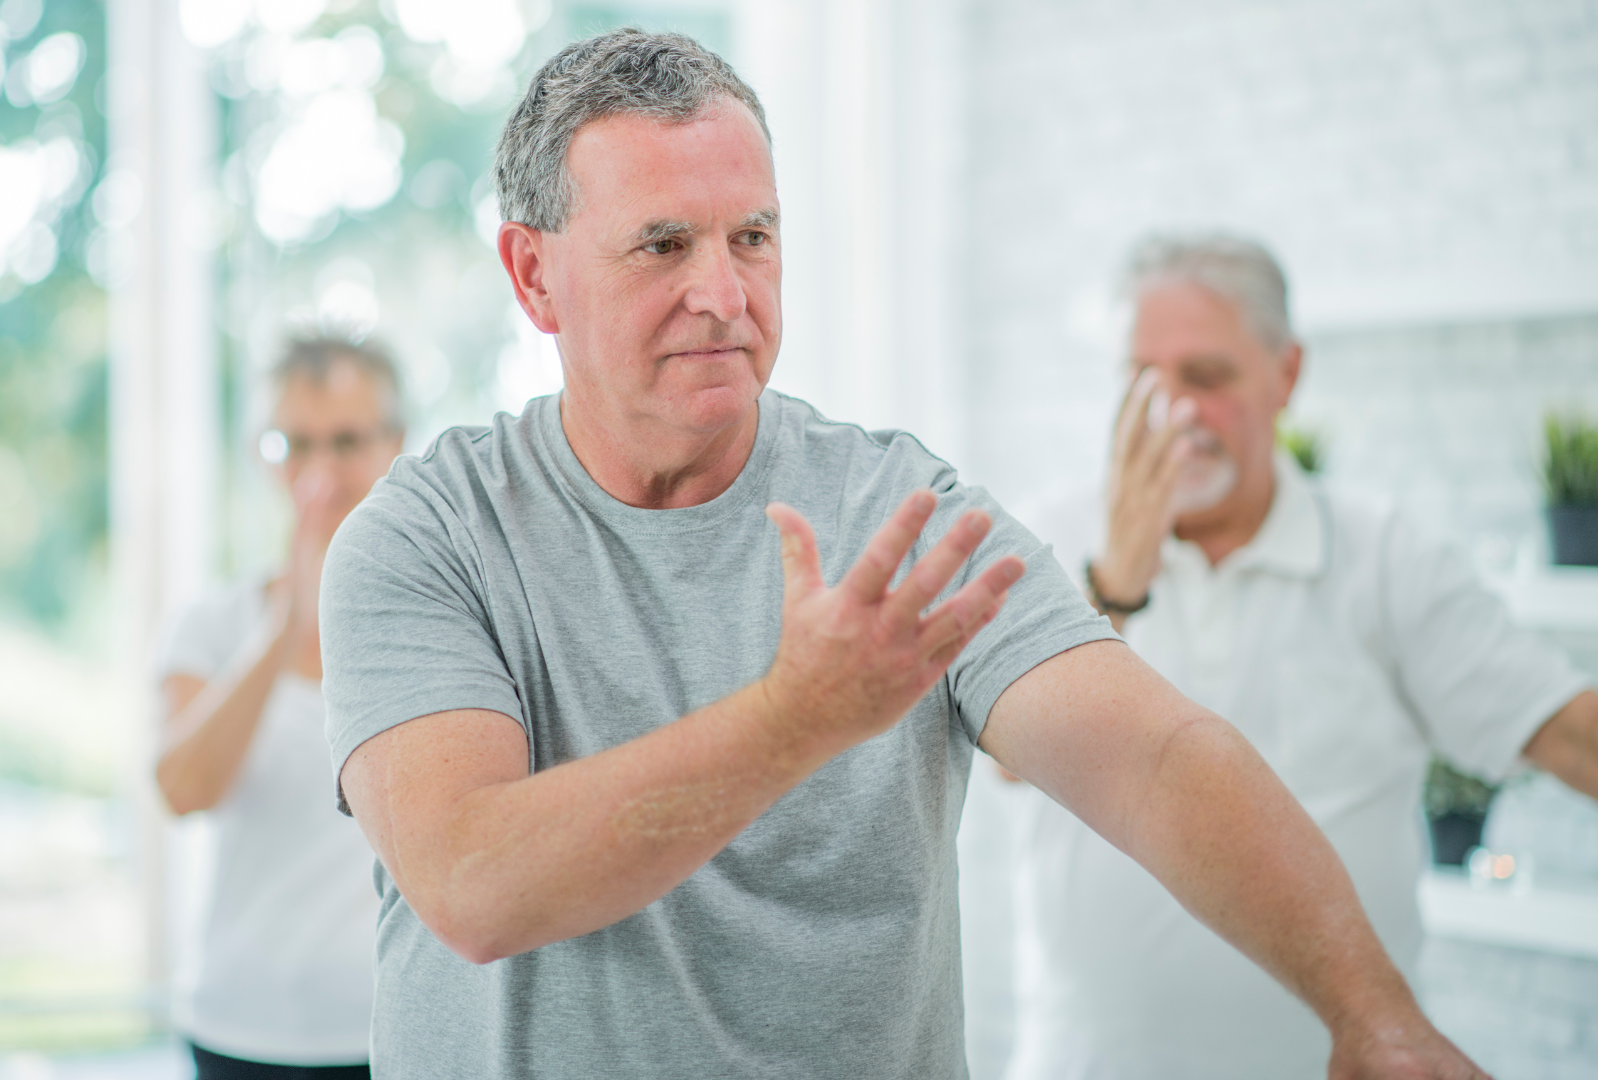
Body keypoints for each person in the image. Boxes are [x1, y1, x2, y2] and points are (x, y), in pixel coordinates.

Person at [320, 30, 1489, 1079]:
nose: (721, 293)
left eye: (753, 237)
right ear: (534, 276)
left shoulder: (894, 504)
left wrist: (1370, 1014)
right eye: (662, 245)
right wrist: (797, 717)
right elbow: (471, 883)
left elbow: (1152, 758)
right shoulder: (425, 541)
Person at [1004, 234, 1598, 1080]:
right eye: (1144, 380)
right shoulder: (1046, 534)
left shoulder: (1384, 556)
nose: (1172, 413)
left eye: (1206, 380)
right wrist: (1118, 584)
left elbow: (1568, 733)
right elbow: (1007, 766)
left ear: (1285, 376)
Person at [155, 336, 407, 1079]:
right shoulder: (211, 625)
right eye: (293, 444)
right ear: (264, 458)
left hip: (390, 1029)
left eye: (347, 441)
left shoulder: (441, 625)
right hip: (239, 1029)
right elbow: (182, 790)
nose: (319, 474)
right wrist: (285, 626)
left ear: (395, 444)